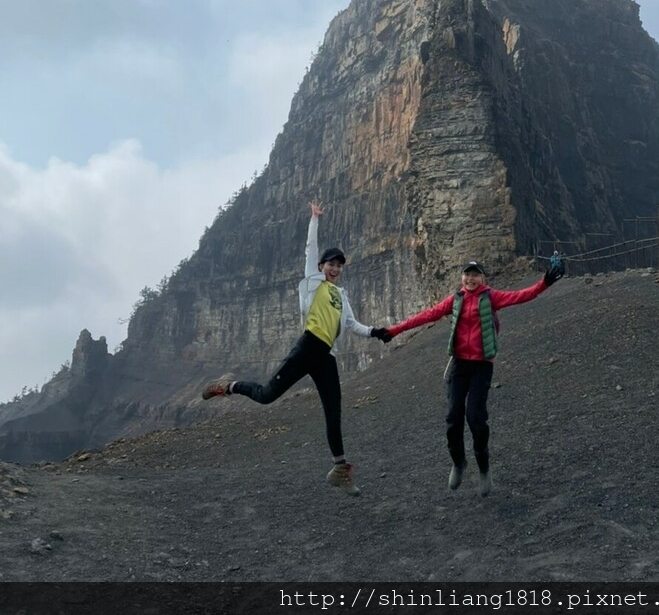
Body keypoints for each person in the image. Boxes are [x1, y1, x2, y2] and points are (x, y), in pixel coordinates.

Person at [202, 202, 390, 495]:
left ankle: (340, 470)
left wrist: (376, 332)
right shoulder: (313, 284)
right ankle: (228, 387)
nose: (335, 269)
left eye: (339, 265)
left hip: (326, 356)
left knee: (333, 412)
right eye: (331, 264)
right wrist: (314, 220)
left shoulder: (341, 295)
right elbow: (310, 249)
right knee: (266, 396)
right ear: (320, 267)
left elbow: (352, 324)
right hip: (307, 347)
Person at [381, 253, 565, 496]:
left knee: (476, 419)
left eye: (475, 274)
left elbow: (521, 296)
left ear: (482, 278)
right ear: (462, 277)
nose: (470, 278)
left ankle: (484, 469)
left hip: (481, 366)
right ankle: (459, 462)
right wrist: (394, 330)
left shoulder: (491, 297)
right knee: (452, 418)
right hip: (459, 365)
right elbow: (427, 315)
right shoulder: (455, 300)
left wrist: (546, 282)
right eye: (467, 274)